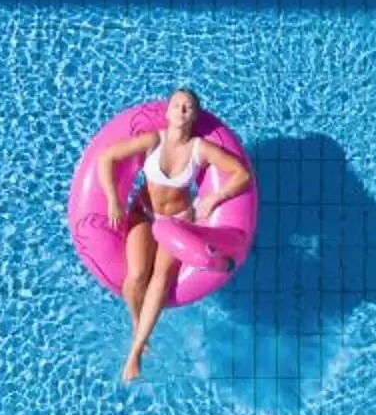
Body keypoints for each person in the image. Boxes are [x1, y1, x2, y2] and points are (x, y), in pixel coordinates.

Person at [93, 87, 255, 383]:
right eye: (177, 105)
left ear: (194, 116)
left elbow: (242, 174)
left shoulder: (200, 149)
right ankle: (136, 323)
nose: (181, 110)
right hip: (144, 212)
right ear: (167, 112)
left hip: (177, 223)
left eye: (188, 107)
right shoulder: (153, 141)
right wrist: (114, 200)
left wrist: (213, 198)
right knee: (136, 275)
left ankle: (136, 350)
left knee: (160, 278)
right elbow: (107, 157)